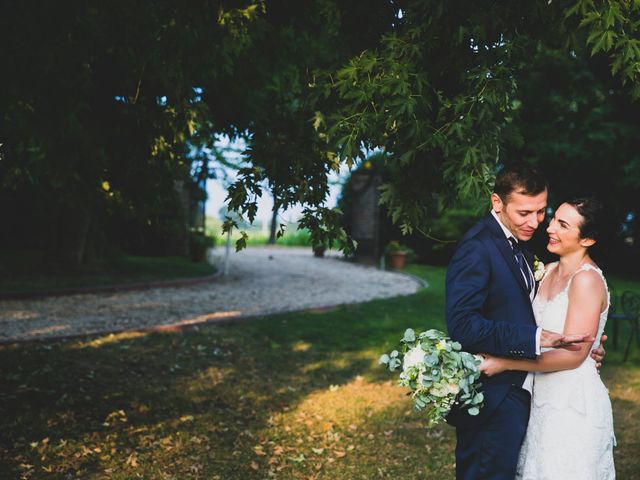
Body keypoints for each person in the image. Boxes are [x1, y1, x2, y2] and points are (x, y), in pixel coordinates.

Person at [444, 164, 606, 480]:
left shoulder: (521, 245)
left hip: (528, 394)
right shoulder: (478, 247)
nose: (535, 223)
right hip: (491, 395)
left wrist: (590, 346)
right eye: (524, 213)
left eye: (541, 212)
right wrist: (536, 338)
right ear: (497, 203)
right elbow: (463, 325)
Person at [479, 196, 615, 479]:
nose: (550, 228)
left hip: (571, 402)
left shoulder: (586, 280)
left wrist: (505, 363)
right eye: (554, 219)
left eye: (563, 225)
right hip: (540, 396)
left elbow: (573, 355)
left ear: (587, 240)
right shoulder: (548, 270)